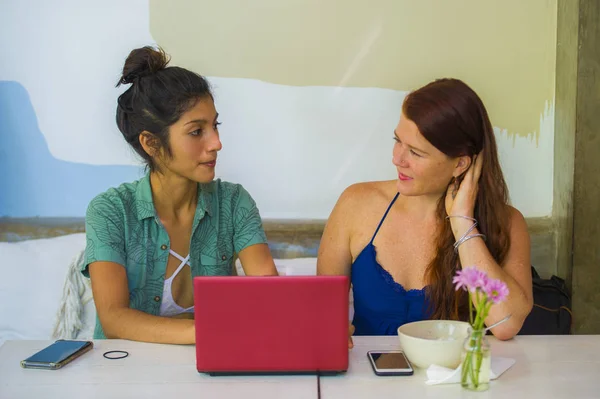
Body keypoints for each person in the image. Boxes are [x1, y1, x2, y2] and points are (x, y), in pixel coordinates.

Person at [82, 46, 277, 344]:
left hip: (211, 375)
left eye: (215, 125)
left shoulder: (234, 202)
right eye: (196, 131)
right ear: (151, 143)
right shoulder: (111, 211)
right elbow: (114, 319)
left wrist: (308, 321)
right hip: (124, 376)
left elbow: (268, 292)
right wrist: (211, 331)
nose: (216, 143)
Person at [318, 78, 533, 347]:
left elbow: (506, 324)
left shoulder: (507, 223)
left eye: (416, 153)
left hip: (453, 385)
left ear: (460, 165)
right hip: (367, 381)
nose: (397, 159)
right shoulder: (355, 204)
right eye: (398, 141)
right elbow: (321, 315)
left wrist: (462, 222)